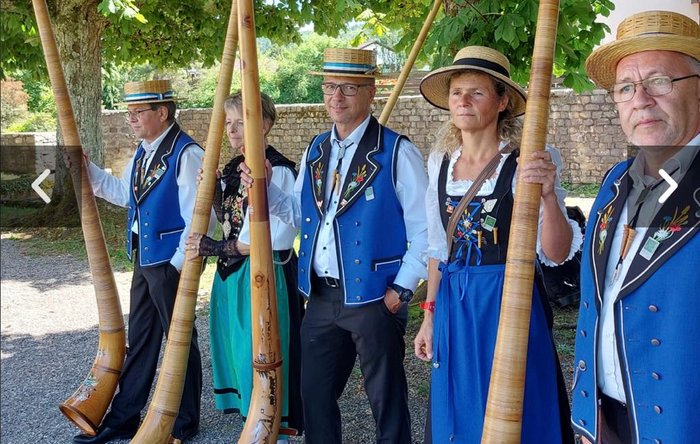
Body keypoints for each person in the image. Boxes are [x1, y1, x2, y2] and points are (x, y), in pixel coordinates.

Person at [240, 47, 429, 443]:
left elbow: (427, 231)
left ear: (371, 91)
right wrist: (265, 187)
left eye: (348, 87)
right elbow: (298, 213)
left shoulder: (397, 151)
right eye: (329, 87)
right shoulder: (316, 150)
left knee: (387, 401)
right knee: (315, 396)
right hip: (321, 299)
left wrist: (400, 291)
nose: (335, 97)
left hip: (375, 300)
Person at [414, 46, 582, 443]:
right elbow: (440, 249)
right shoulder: (440, 163)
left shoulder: (529, 161)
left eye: (476, 92)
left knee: (517, 402)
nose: (463, 101)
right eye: (457, 93)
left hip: (511, 298)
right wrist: (429, 315)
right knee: (462, 402)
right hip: (455, 302)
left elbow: (557, 253)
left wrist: (547, 196)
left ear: (502, 101)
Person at [571, 10, 700, 444]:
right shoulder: (613, 182)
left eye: (660, 81)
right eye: (625, 88)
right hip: (610, 421)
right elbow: (600, 299)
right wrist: (590, 411)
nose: (640, 99)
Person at [73, 79, 212, 444]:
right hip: (144, 260)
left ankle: (183, 423)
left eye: (138, 113)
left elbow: (203, 217)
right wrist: (89, 172)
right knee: (143, 338)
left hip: (169, 263)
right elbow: (124, 195)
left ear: (162, 113)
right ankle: (124, 418)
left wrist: (176, 265)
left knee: (180, 339)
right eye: (129, 113)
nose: (130, 119)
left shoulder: (186, 154)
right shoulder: (143, 151)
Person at [185, 92, 304, 440]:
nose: (234, 131)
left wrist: (213, 247)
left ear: (264, 125)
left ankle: (273, 428)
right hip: (233, 275)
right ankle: (252, 422)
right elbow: (231, 222)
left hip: (266, 276)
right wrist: (208, 189)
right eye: (231, 124)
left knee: (263, 351)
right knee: (238, 350)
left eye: (242, 123)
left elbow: (271, 239)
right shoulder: (232, 169)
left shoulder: (278, 170)